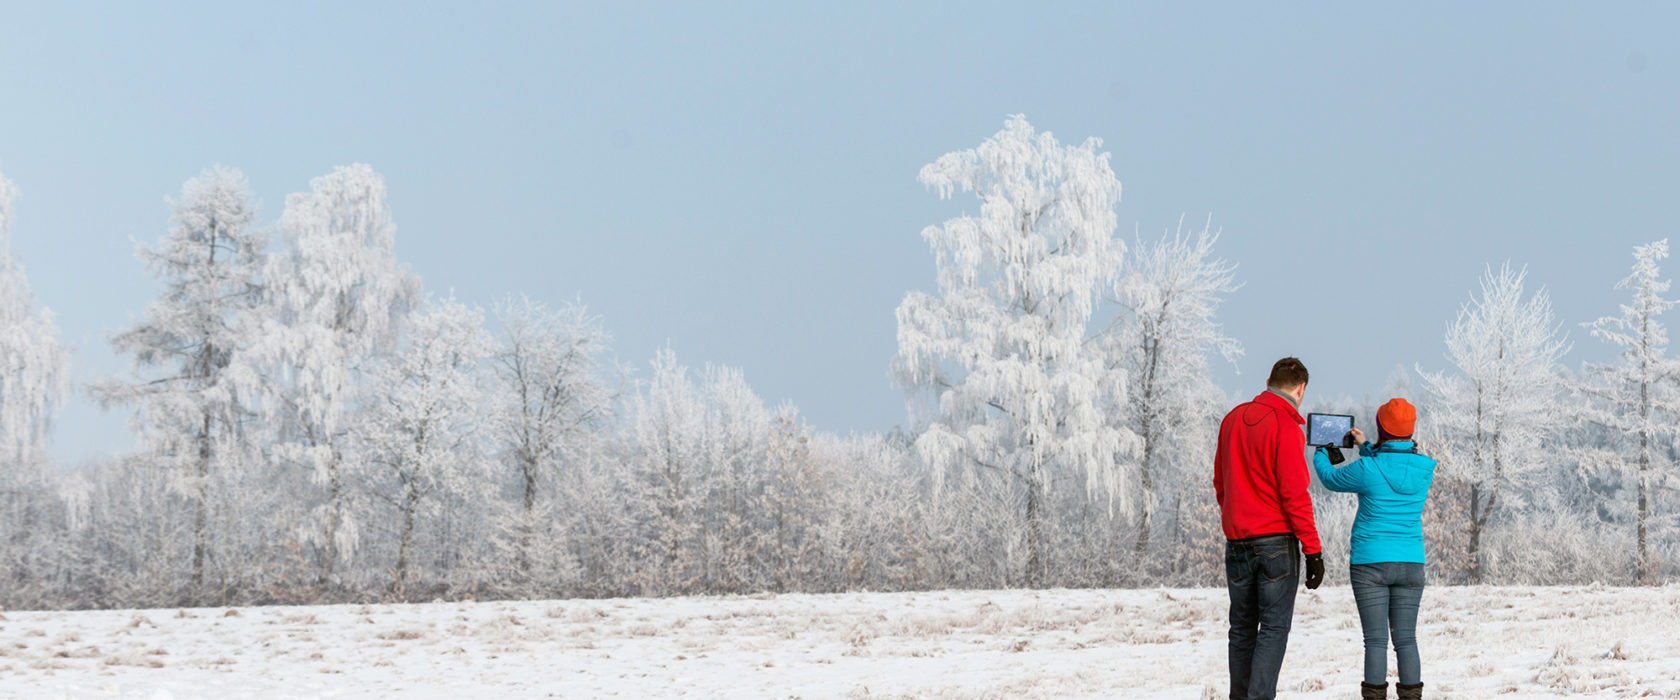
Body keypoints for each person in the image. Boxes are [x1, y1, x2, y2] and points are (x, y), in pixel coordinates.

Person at [1214, 357, 1324, 700]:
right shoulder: (1286, 426)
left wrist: (1236, 518)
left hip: (1238, 541)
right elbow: (1294, 495)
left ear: (1268, 381)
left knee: (1242, 630)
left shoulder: (1231, 420)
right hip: (1276, 544)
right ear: (1301, 388)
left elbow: (1221, 482)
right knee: (1273, 629)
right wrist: (1313, 550)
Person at [1312, 398, 1436, 700]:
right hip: (1411, 563)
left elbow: (1330, 478)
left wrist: (1321, 452)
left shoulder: (1368, 468)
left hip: (1370, 564)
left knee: (1376, 641)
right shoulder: (1424, 469)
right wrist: (1365, 444)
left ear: (1381, 428)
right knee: (1406, 639)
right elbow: (1393, 466)